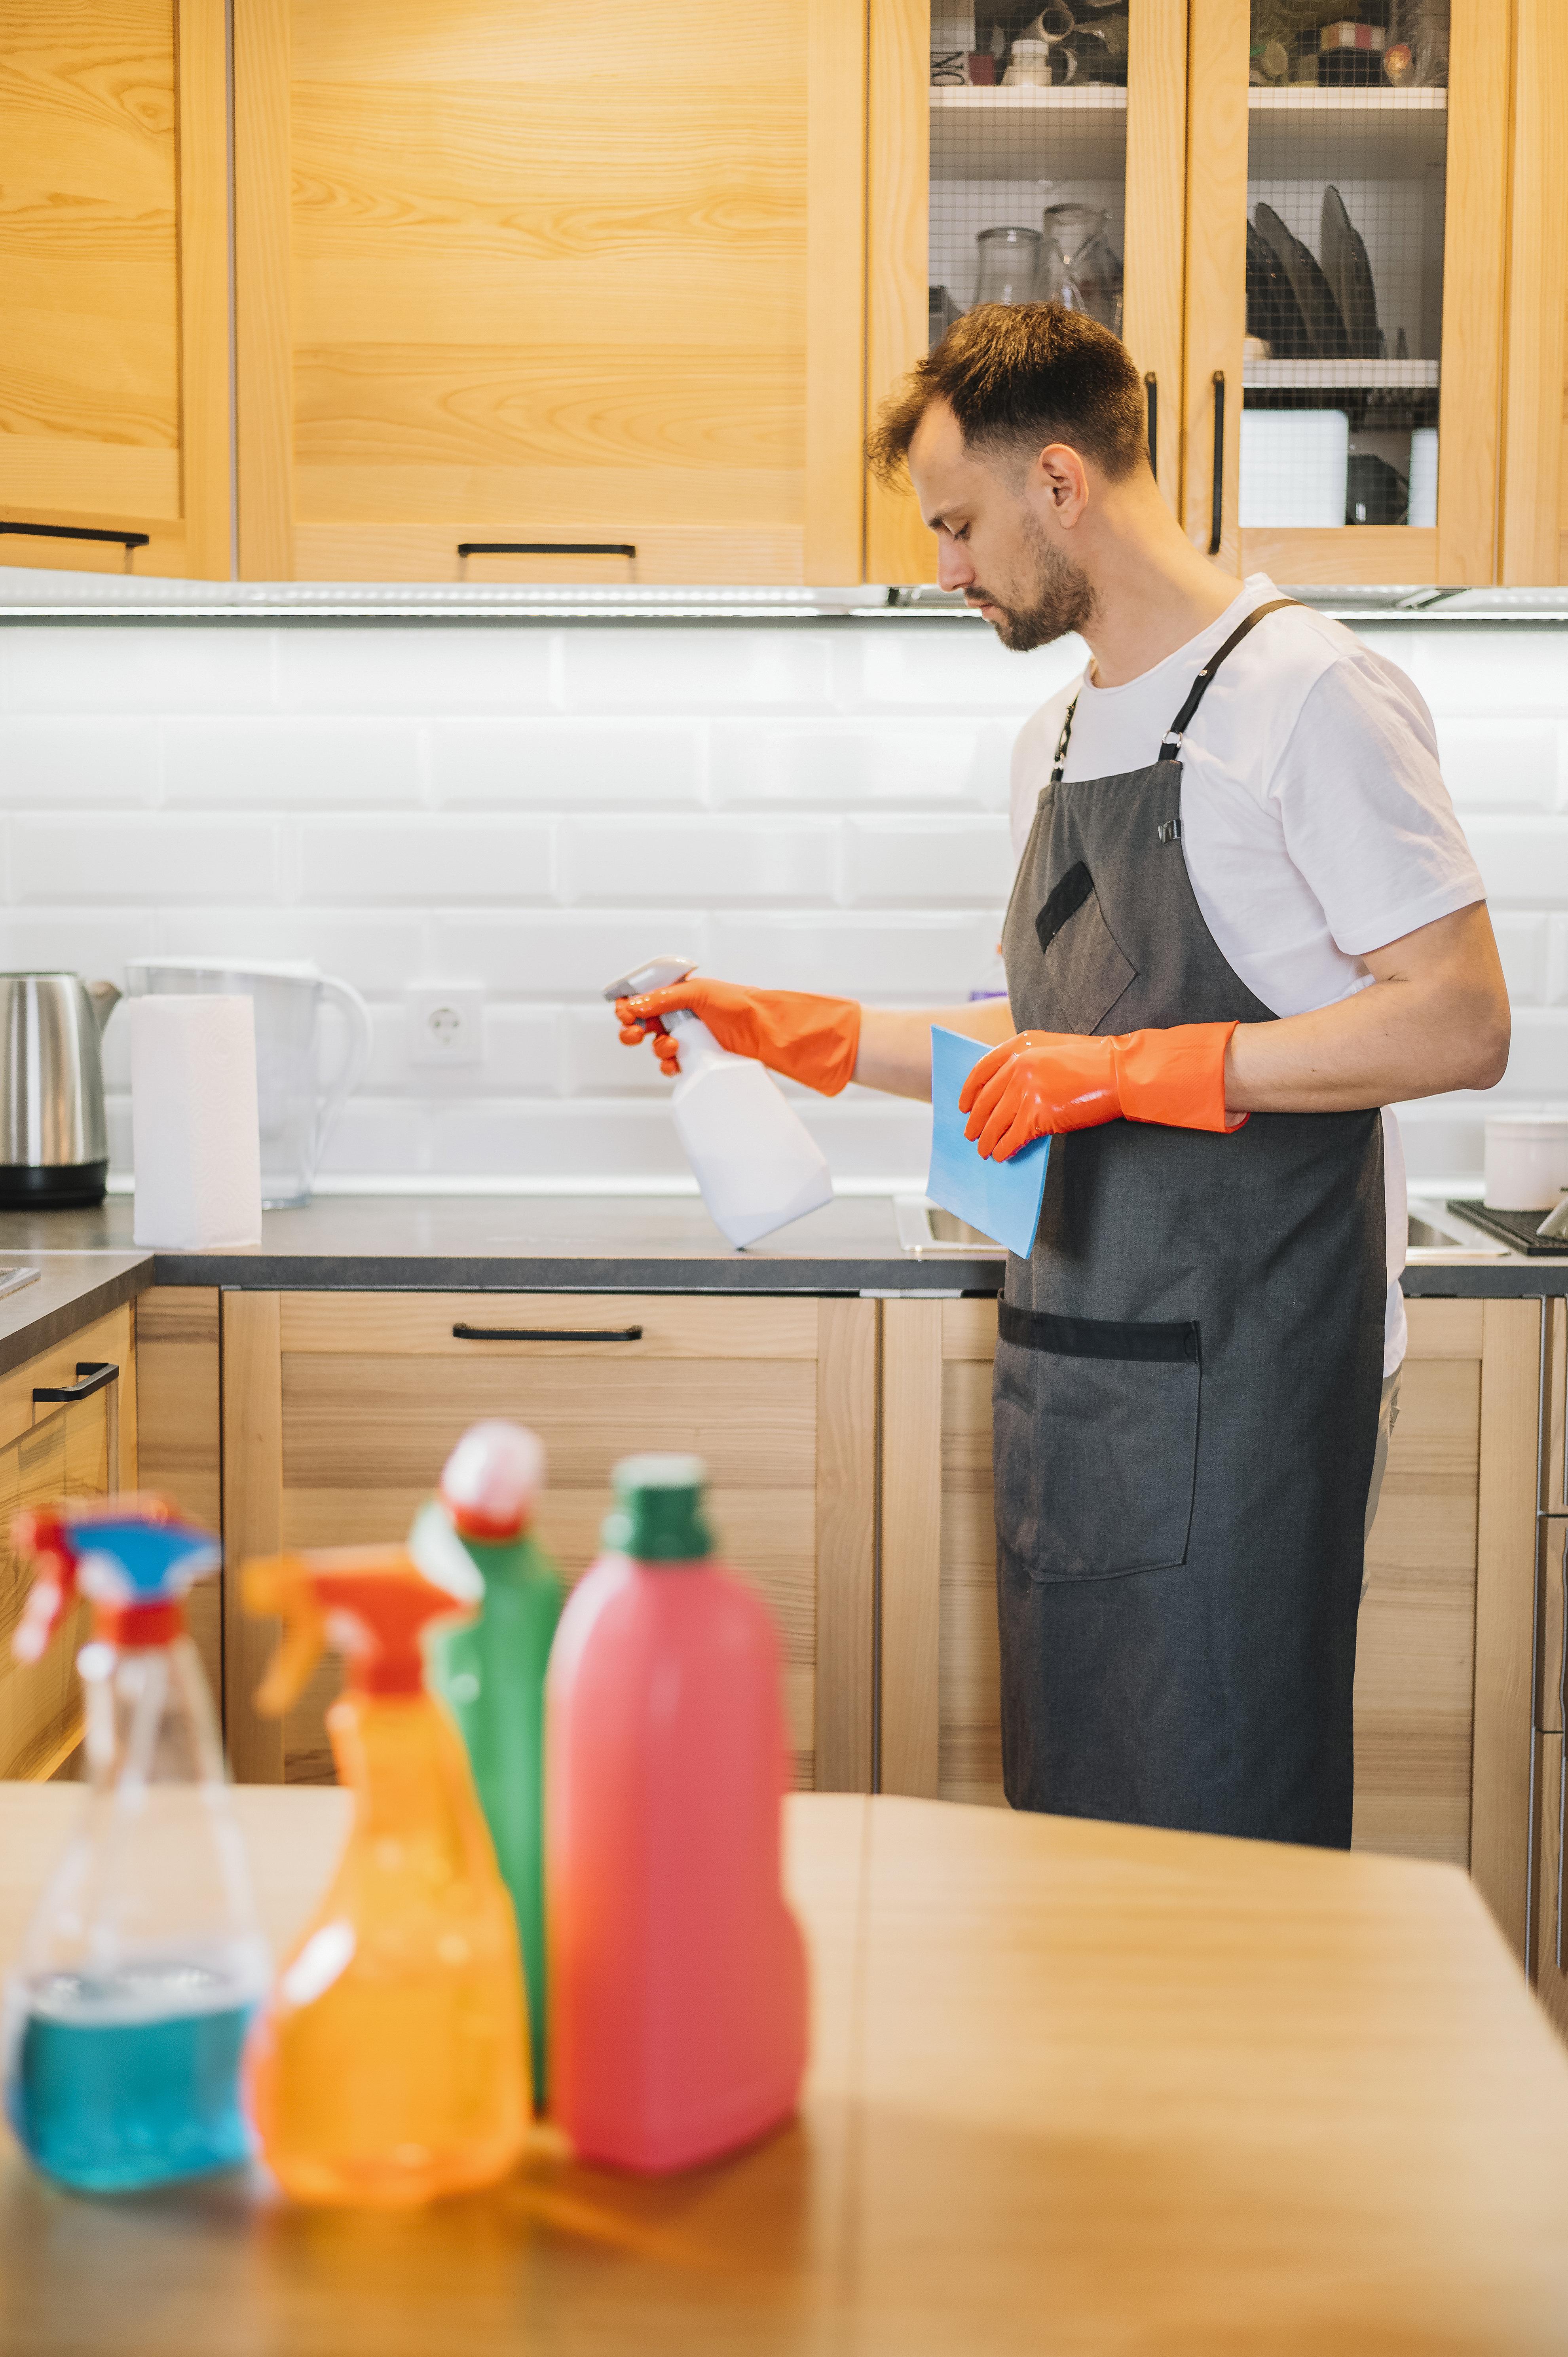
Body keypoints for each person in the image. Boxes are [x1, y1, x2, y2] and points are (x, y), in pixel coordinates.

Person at [617, 302, 1509, 1850]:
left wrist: (1129, 1068)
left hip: (1248, 1384)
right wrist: (779, 1025)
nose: (945, 568)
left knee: (1225, 1826)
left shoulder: (1307, 693)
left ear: (1056, 484)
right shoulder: (1053, 734)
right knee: (1078, 1830)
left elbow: (1453, 1021)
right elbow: (1034, 1068)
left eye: (958, 526)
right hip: (1074, 1366)